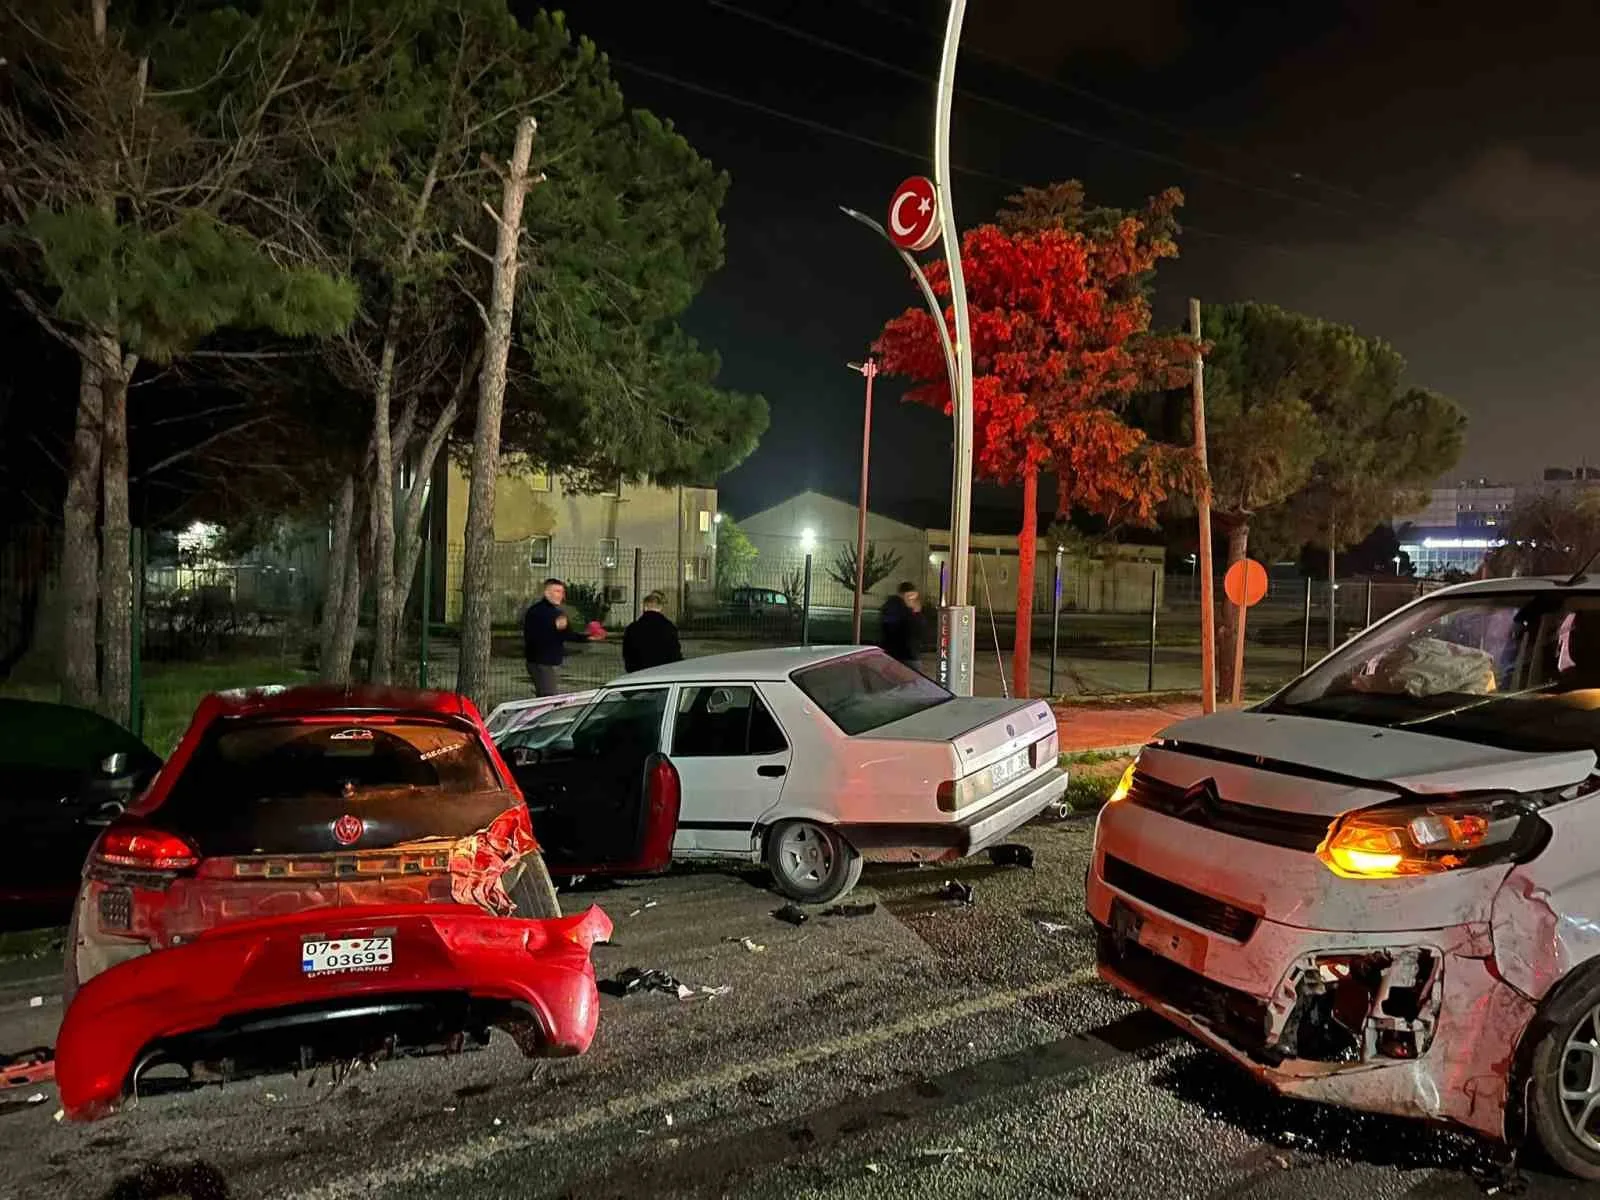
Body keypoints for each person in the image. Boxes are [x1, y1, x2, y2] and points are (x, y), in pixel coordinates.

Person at [523, 578, 598, 697]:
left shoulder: (556, 613)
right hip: (541, 663)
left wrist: (587, 638)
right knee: (548, 698)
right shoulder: (537, 612)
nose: (561, 595)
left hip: (550, 662)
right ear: (547, 593)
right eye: (557, 591)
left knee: (546, 697)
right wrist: (553, 626)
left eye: (562, 592)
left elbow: (567, 634)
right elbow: (534, 638)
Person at [623, 591, 683, 674]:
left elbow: (627, 655)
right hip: (663, 674)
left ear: (645, 607)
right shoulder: (669, 627)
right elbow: (675, 654)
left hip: (639, 674)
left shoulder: (632, 628)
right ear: (660, 608)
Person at [879, 581, 923, 667]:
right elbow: (897, 629)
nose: (912, 598)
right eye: (909, 595)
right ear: (903, 594)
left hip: (910, 655)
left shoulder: (910, 609)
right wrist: (913, 613)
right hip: (901, 656)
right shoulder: (895, 608)